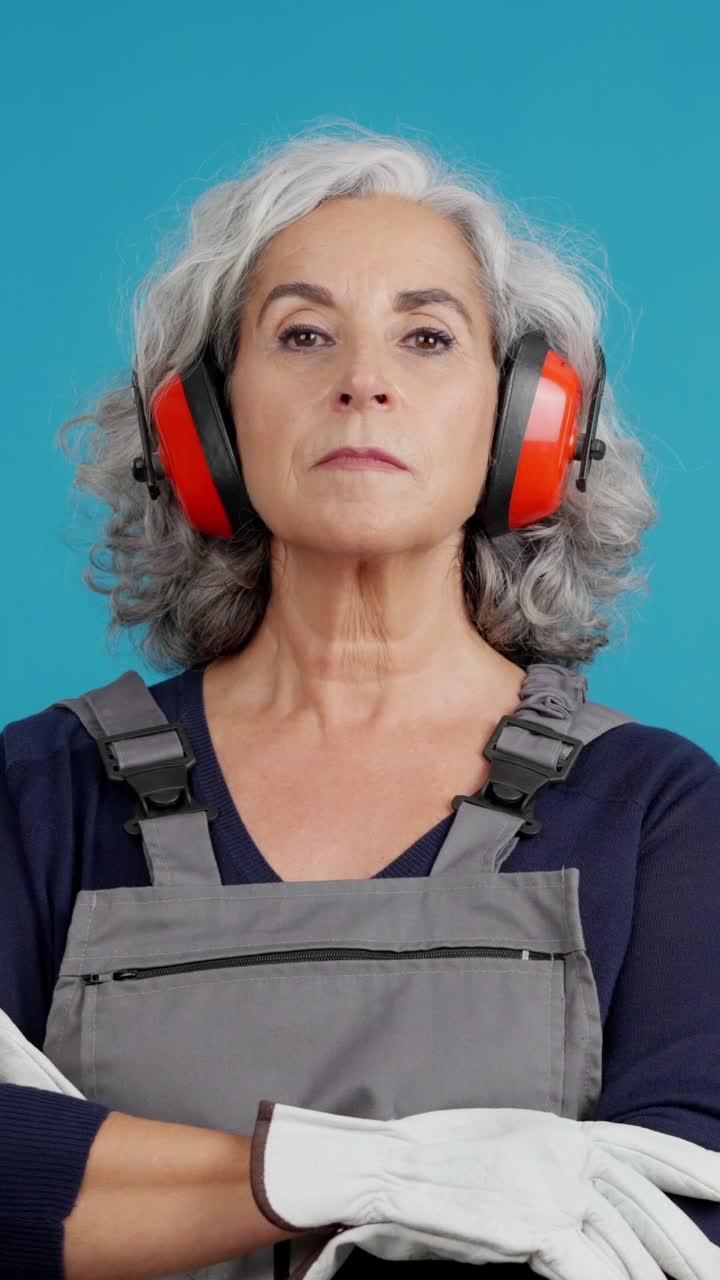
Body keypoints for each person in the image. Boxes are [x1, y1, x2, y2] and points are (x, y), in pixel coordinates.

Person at [1, 125, 719, 1280]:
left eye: (427, 336)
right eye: (301, 334)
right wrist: (363, 1177)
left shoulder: (654, 807)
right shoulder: (43, 791)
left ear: (526, 426)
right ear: (206, 424)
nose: (363, 380)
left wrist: (163, 1187)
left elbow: (687, 1210)